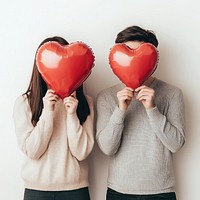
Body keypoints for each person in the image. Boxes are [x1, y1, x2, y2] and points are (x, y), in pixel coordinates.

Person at [96, 26, 185, 200]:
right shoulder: (106, 96)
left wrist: (152, 109)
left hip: (161, 193)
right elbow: (107, 148)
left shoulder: (172, 93)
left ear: (153, 59)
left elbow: (176, 144)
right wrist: (120, 110)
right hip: (118, 192)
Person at [13, 36, 94, 200]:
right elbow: (33, 151)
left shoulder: (85, 102)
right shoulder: (25, 103)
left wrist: (72, 115)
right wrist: (47, 113)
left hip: (75, 190)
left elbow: (81, 152)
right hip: (36, 190)